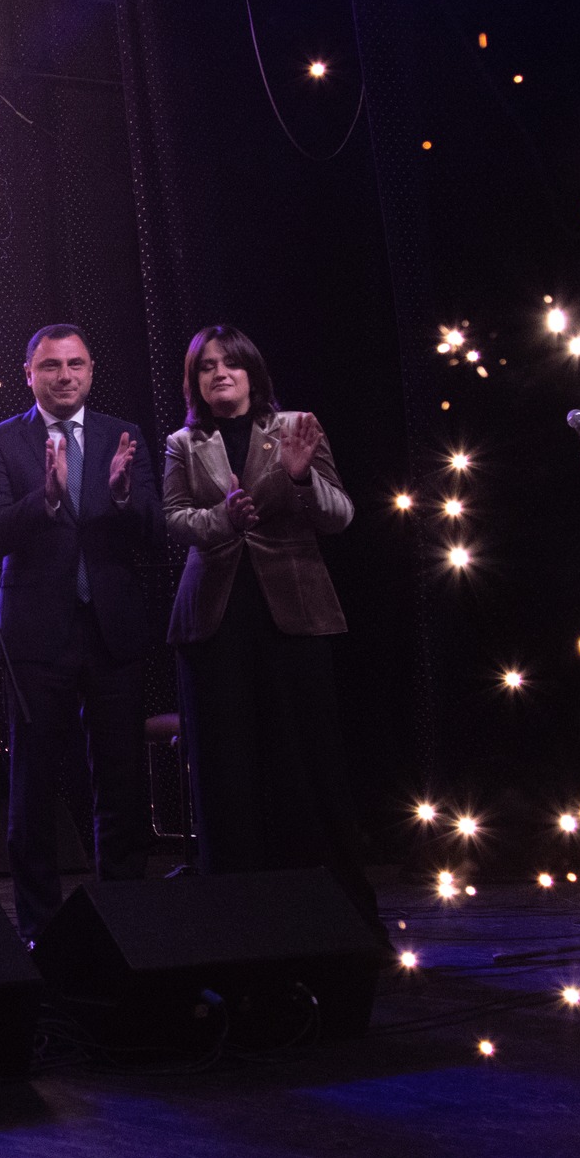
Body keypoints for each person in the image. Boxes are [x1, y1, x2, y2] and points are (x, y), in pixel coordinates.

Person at [162, 324, 379, 928]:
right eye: (206, 366)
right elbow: (175, 520)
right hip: (215, 621)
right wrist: (223, 517)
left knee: (304, 763)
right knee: (226, 772)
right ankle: (239, 922)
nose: (219, 373)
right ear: (195, 380)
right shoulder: (183, 443)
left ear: (252, 372)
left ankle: (325, 915)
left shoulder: (295, 427)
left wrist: (301, 478)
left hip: (294, 615)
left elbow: (340, 514)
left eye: (230, 363)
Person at [0, 324, 158, 942]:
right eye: (51, 365)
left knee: (121, 781)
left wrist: (123, 497)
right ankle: (42, 933)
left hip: (111, 629)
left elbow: (155, 530)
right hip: (34, 635)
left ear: (91, 370)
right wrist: (46, 499)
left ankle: (126, 922)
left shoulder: (122, 434)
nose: (65, 375)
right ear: (29, 374)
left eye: (76, 364)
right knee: (33, 787)